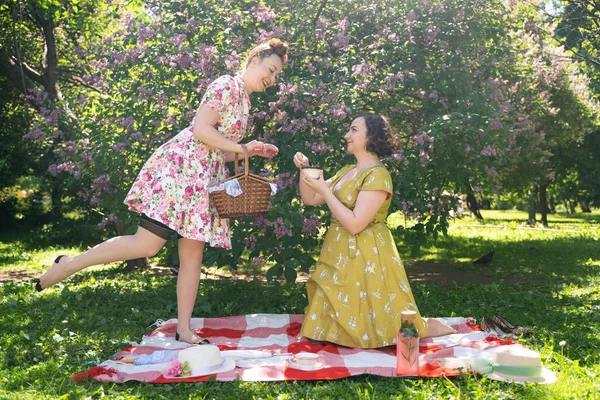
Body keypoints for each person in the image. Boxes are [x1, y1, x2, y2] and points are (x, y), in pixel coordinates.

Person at [35, 39, 289, 345]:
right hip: (181, 170)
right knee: (147, 245)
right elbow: (200, 130)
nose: (272, 79)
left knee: (193, 255)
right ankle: (69, 264)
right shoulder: (225, 85)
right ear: (254, 59)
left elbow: (218, 152)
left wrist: (252, 152)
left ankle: (184, 329)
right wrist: (241, 147)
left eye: (277, 75)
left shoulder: (245, 102)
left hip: (204, 177)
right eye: (270, 69)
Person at [294, 114, 456, 348]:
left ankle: (425, 327)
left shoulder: (378, 175)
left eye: (353, 130)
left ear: (370, 136)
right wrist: (304, 170)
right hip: (337, 249)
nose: (346, 135)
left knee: (374, 306)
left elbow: (356, 223)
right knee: (339, 298)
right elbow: (311, 198)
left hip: (366, 251)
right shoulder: (346, 170)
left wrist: (325, 190)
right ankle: (336, 334)